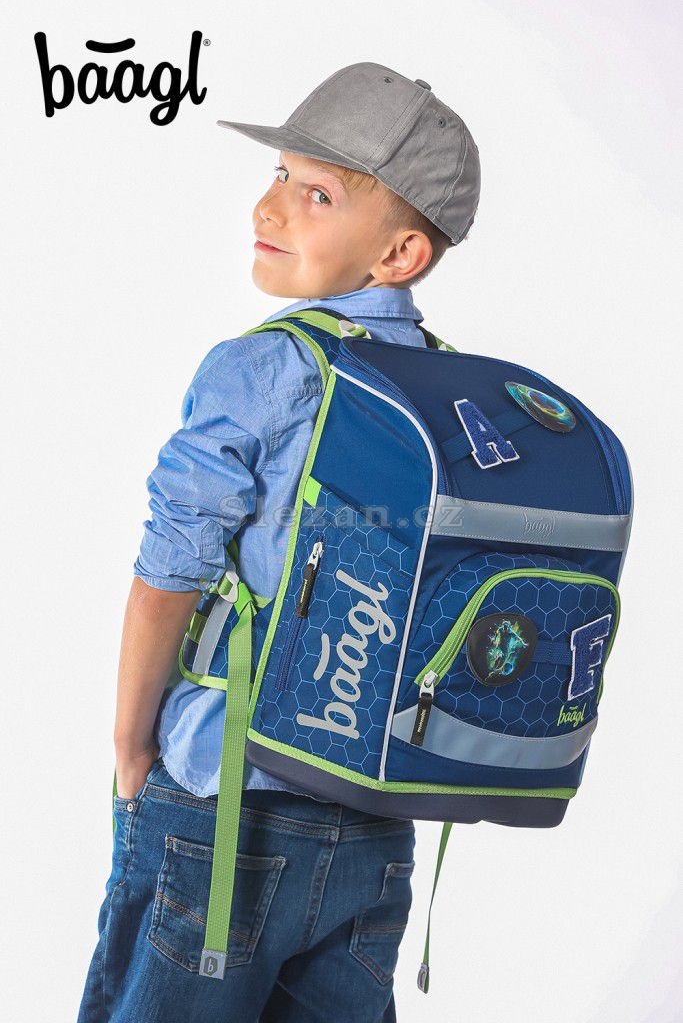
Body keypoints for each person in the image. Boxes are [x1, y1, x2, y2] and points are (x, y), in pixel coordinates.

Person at [77, 61, 480, 1023]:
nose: (271, 206)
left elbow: (167, 574)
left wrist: (131, 747)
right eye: (280, 176)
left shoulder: (260, 368)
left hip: (220, 806)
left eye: (317, 194)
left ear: (400, 253)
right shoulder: (457, 396)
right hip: (376, 822)